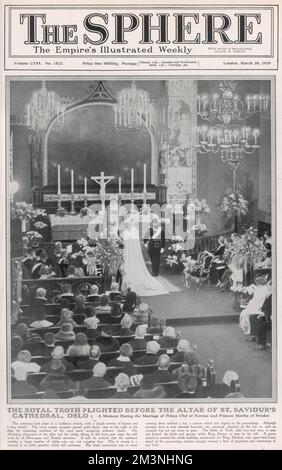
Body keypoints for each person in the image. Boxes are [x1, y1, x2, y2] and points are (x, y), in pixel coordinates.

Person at [121, 211, 169, 296]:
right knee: (153, 259)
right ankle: (154, 271)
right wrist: (147, 243)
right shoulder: (149, 229)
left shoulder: (160, 229)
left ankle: (155, 272)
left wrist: (162, 247)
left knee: (156, 259)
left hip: (157, 247)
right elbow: (146, 236)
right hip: (151, 247)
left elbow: (163, 239)